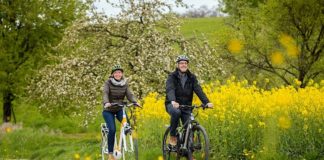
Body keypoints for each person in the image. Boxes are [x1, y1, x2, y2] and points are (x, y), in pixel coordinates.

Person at [165, 54, 213, 146]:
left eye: (185, 63)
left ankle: (189, 153)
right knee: (176, 112)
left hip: (186, 106)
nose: (184, 65)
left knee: (189, 129)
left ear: (187, 65)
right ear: (178, 65)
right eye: (181, 63)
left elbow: (198, 89)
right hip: (172, 104)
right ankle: (172, 136)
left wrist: (206, 102)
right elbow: (170, 89)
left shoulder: (192, 77)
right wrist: (173, 100)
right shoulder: (172, 77)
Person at [102, 64, 139, 160]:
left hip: (119, 109)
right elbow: (105, 93)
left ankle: (120, 146)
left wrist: (135, 102)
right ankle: (110, 154)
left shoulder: (125, 83)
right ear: (112, 74)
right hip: (108, 110)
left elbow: (129, 94)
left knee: (127, 125)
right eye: (116, 72)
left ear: (122, 74)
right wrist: (106, 103)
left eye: (119, 72)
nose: (118, 74)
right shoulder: (108, 83)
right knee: (112, 130)